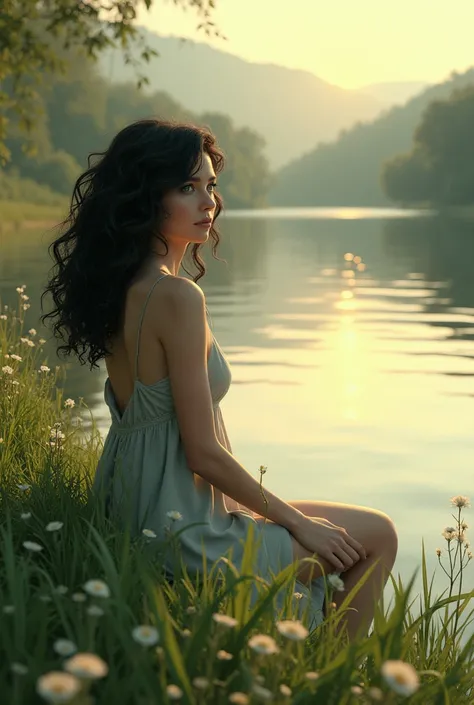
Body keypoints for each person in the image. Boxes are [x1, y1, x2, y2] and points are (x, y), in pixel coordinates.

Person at [41, 118, 398, 639]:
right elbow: (201, 451)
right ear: (146, 196)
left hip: (135, 510)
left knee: (346, 533)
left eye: (210, 185)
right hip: (180, 532)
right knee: (377, 536)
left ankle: (309, 657)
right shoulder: (177, 297)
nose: (208, 201)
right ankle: (339, 679)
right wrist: (296, 524)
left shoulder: (121, 285)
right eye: (187, 187)